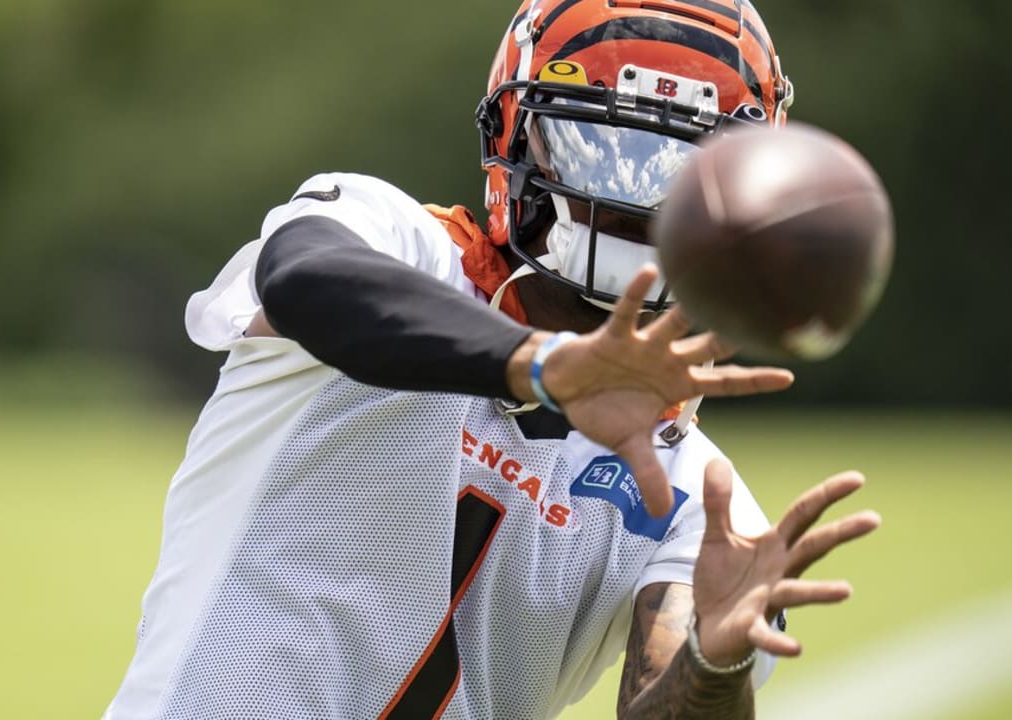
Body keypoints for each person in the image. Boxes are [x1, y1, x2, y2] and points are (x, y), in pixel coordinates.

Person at [105, 1, 880, 718]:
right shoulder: (394, 242)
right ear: (514, 134)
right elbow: (306, 279)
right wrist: (539, 366)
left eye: (675, 173)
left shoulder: (694, 495)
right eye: (599, 147)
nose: (636, 204)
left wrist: (715, 664)